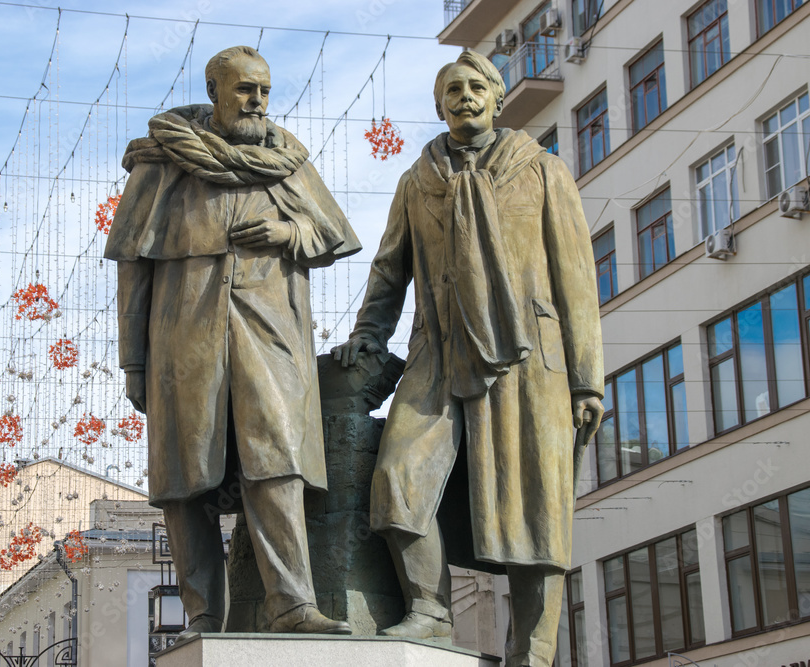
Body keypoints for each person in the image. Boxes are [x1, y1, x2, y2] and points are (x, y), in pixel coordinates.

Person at [332, 51, 604, 666]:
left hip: (530, 359)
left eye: (476, 86)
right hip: (438, 350)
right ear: (438, 105)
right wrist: (369, 334)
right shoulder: (418, 179)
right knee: (398, 480)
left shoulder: (542, 172)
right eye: (451, 89)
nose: (464, 96)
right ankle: (429, 609)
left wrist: (588, 381)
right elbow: (388, 272)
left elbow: (576, 282)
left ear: (497, 98)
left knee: (534, 509)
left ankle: (531, 651)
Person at [105, 45, 359, 637]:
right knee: (182, 477)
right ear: (214, 89)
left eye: (265, 90)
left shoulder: (286, 163)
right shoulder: (163, 163)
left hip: (270, 336)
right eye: (245, 89)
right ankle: (201, 616)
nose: (257, 101)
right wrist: (133, 363)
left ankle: (293, 606)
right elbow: (131, 270)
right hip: (182, 340)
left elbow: (334, 233)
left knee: (277, 463)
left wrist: (287, 230)